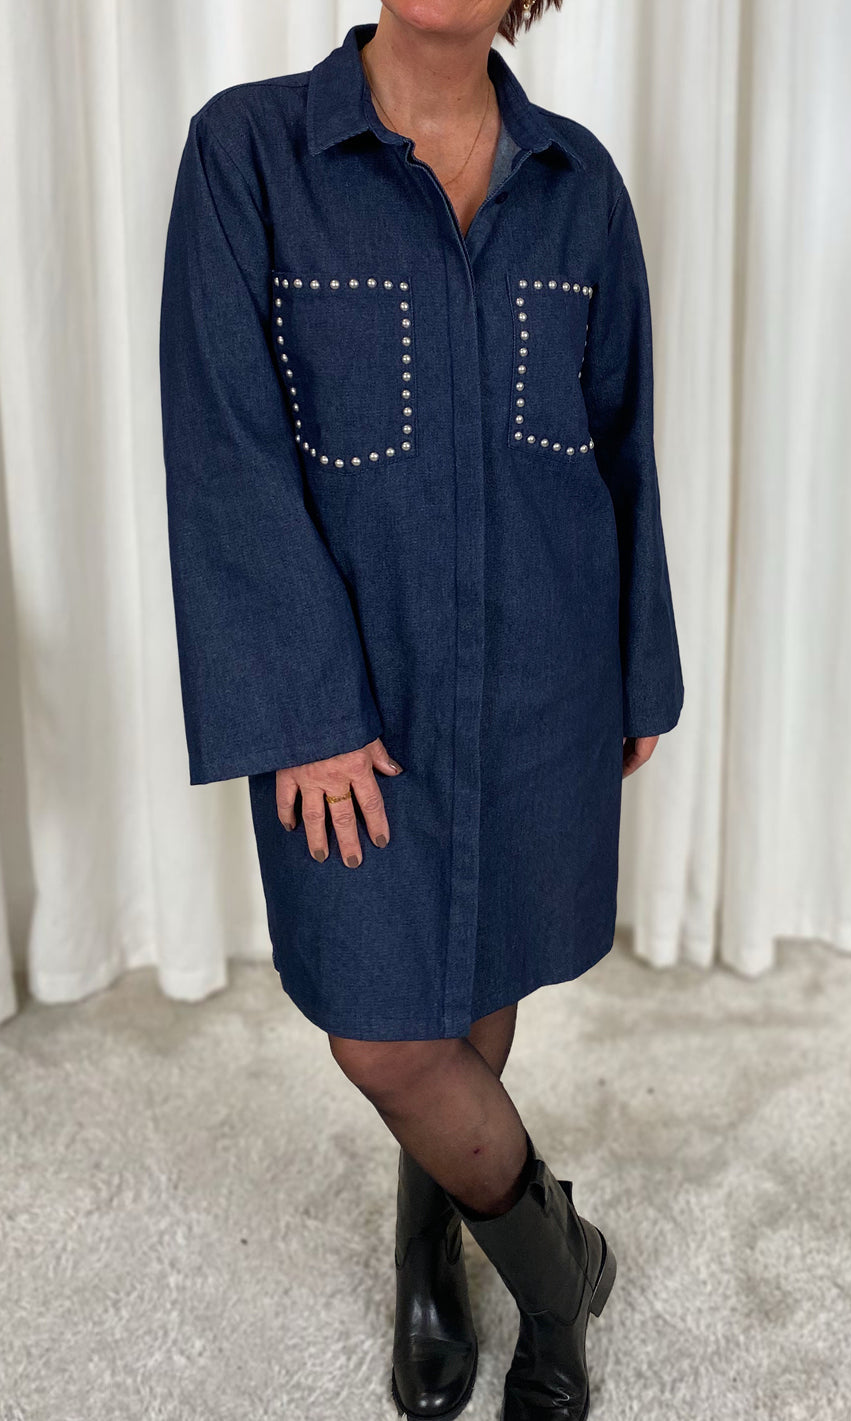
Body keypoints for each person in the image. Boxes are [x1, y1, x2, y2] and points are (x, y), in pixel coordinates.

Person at [159, 1, 684, 1416]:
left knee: (474, 996)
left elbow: (623, 437)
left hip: (541, 676)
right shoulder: (249, 154)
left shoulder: (577, 184)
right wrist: (303, 707)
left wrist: (637, 662)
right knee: (387, 1034)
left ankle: (428, 1257)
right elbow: (224, 444)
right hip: (358, 695)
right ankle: (559, 1272)